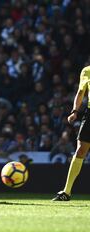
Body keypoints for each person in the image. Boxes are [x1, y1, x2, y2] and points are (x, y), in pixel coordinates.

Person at [53, 66, 90, 201]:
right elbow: (80, 92)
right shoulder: (86, 71)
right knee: (80, 150)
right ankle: (66, 192)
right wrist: (75, 111)